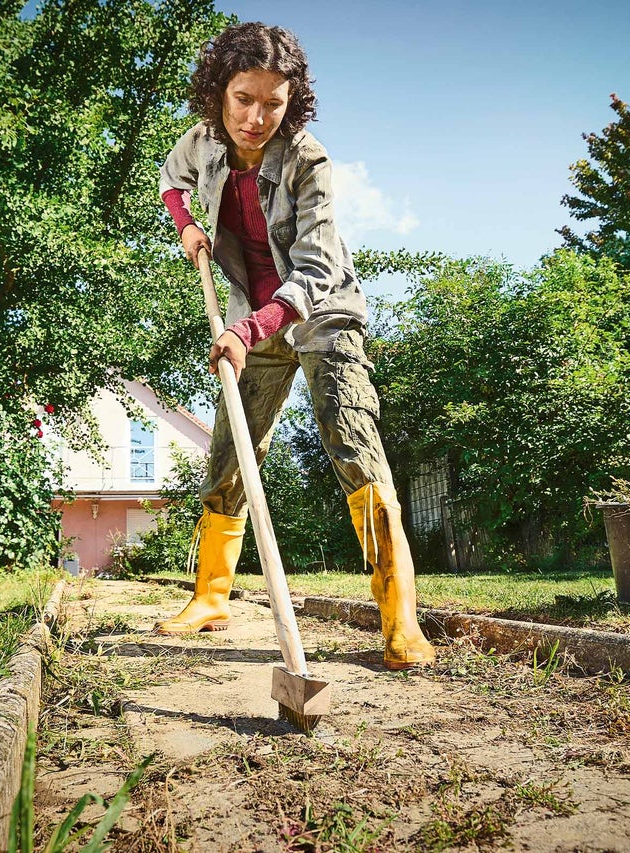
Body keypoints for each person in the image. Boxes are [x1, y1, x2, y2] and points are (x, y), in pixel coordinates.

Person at [153, 22, 435, 671]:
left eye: (272, 103)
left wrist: (247, 331)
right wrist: (187, 225)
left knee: (351, 436)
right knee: (231, 449)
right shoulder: (203, 142)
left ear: (292, 102)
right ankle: (210, 596)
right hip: (250, 317)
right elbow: (171, 178)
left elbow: (313, 269)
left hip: (319, 311)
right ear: (219, 93)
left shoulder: (309, 161)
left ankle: (400, 617)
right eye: (243, 99)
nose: (255, 118)